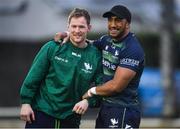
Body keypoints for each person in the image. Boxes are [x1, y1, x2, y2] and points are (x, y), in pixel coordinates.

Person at [54, 5, 145, 128]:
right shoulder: (106, 40)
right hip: (106, 107)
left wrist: (92, 91)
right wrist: (68, 34)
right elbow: (87, 43)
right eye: (110, 20)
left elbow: (116, 86)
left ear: (127, 24)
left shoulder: (132, 49)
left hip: (124, 110)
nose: (112, 24)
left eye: (117, 20)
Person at [20, 8, 103, 128]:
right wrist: (26, 103)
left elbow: (102, 86)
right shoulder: (52, 47)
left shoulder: (95, 56)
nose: (77, 31)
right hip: (42, 114)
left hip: (70, 118)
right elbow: (33, 77)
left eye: (81, 27)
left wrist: (88, 101)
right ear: (68, 27)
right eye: (73, 26)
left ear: (89, 28)